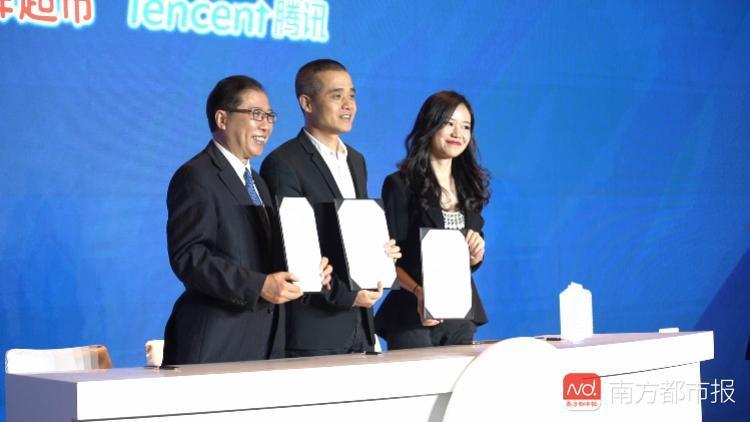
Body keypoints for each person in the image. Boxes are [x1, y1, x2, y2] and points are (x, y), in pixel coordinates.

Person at [162, 75, 332, 365]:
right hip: (218, 342)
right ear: (222, 119)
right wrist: (258, 286)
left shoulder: (258, 182)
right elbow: (190, 257)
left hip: (267, 342)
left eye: (269, 116)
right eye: (256, 114)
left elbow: (266, 257)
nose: (266, 125)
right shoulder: (196, 176)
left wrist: (308, 274)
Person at [261, 59, 400, 357]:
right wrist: (347, 296)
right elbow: (292, 252)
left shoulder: (356, 160)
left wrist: (379, 252)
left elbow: (351, 233)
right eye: (337, 96)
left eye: (352, 95)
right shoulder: (283, 163)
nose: (348, 105)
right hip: (315, 330)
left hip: (361, 326)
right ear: (307, 103)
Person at [375, 91, 490, 349]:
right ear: (430, 125)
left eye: (466, 126)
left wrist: (475, 256)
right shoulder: (400, 185)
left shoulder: (470, 187)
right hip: (411, 315)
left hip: (460, 313)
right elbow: (389, 258)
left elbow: (466, 260)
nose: (458, 133)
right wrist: (419, 291)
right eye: (449, 123)